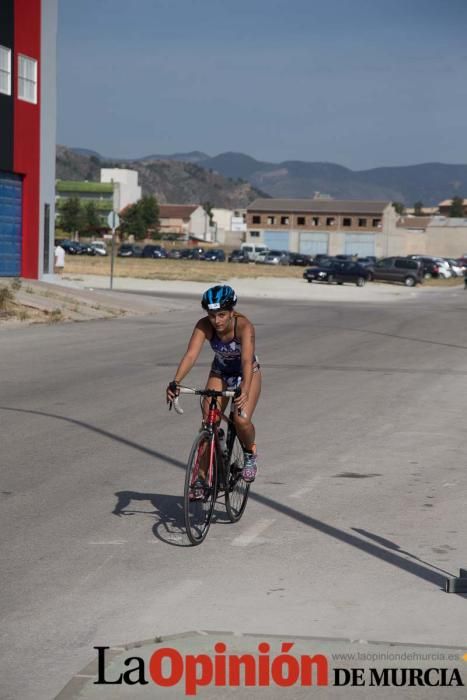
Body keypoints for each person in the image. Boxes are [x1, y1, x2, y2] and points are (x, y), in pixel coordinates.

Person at [166, 285, 261, 496]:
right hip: (220, 373)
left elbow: (246, 360)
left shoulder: (244, 326)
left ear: (232, 312)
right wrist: (176, 382)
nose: (216, 321)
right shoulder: (204, 326)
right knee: (208, 424)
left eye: (221, 315)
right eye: (211, 315)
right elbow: (191, 355)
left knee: (241, 419)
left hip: (247, 374)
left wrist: (244, 389)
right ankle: (201, 478)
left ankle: (250, 453)